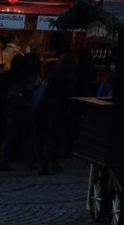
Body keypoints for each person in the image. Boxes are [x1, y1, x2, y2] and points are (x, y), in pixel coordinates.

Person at [37, 41, 77, 175]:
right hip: (59, 109)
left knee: (52, 137)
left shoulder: (53, 73)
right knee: (55, 137)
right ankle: (46, 165)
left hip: (49, 108)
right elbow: (68, 93)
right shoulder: (68, 77)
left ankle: (52, 163)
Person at [0, 54, 39, 171]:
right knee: (29, 136)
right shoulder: (28, 76)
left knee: (9, 136)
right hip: (23, 108)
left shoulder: (9, 76)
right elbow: (29, 91)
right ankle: (31, 161)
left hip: (11, 108)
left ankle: (3, 160)